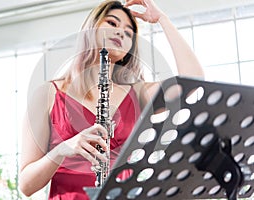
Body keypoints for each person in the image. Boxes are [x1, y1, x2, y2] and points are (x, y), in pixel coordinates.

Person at [19, 0, 204, 199]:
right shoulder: (47, 93)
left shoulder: (138, 94)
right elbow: (26, 185)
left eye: (128, 32)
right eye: (112, 23)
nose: (120, 33)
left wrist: (163, 20)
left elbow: (192, 83)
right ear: (92, 28)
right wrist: (62, 150)